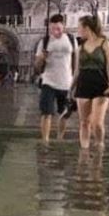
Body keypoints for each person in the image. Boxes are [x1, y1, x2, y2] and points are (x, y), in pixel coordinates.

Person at [72, 15, 109, 150]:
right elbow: (77, 70)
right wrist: (71, 88)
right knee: (84, 122)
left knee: (97, 123)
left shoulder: (104, 44)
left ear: (87, 28)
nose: (78, 30)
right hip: (83, 84)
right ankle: (84, 152)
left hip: (101, 85)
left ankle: (99, 146)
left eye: (79, 27)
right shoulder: (80, 48)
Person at [34, 14, 77, 143]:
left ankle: (60, 138)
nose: (55, 32)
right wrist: (41, 57)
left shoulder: (71, 39)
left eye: (58, 28)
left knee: (64, 114)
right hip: (48, 81)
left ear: (63, 26)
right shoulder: (44, 42)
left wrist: (75, 80)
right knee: (46, 113)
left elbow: (76, 61)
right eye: (52, 29)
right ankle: (45, 140)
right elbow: (37, 66)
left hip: (66, 82)